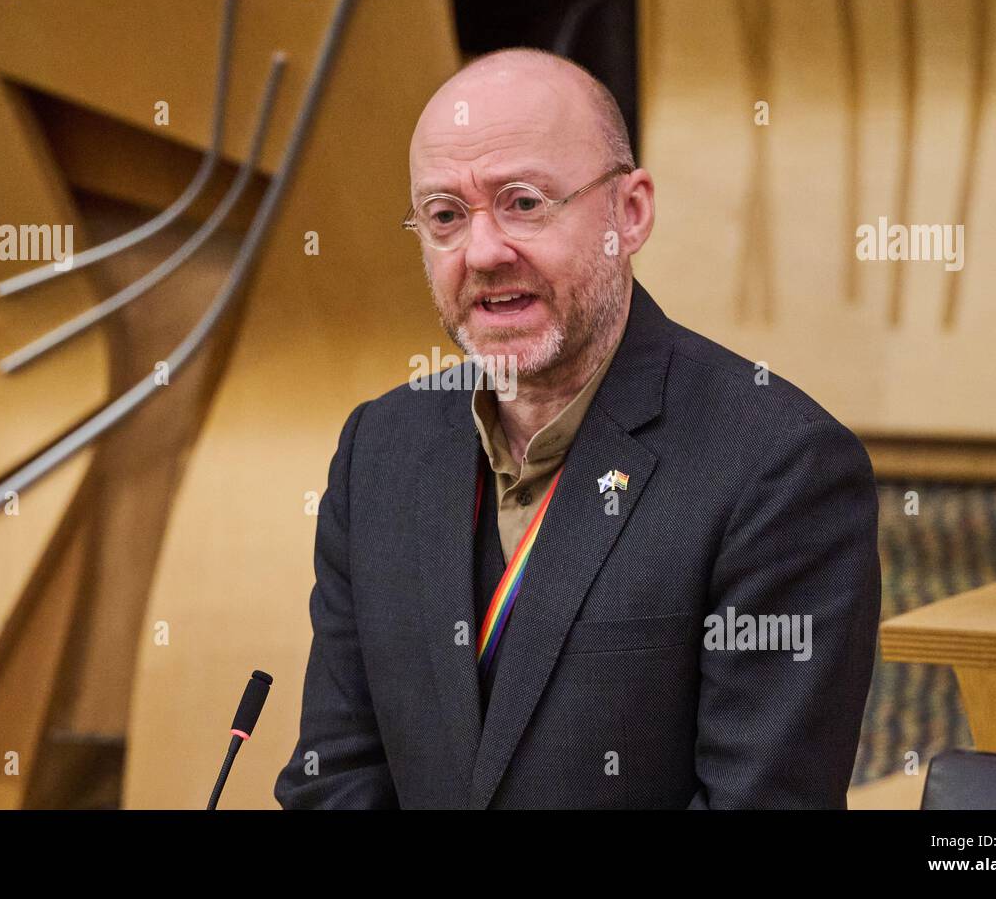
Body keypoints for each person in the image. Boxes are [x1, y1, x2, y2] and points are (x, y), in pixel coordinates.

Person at [274, 47, 881, 808]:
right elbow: (337, 777)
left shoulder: (778, 467)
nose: (486, 251)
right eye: (445, 216)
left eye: (524, 201)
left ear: (630, 213)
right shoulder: (379, 452)